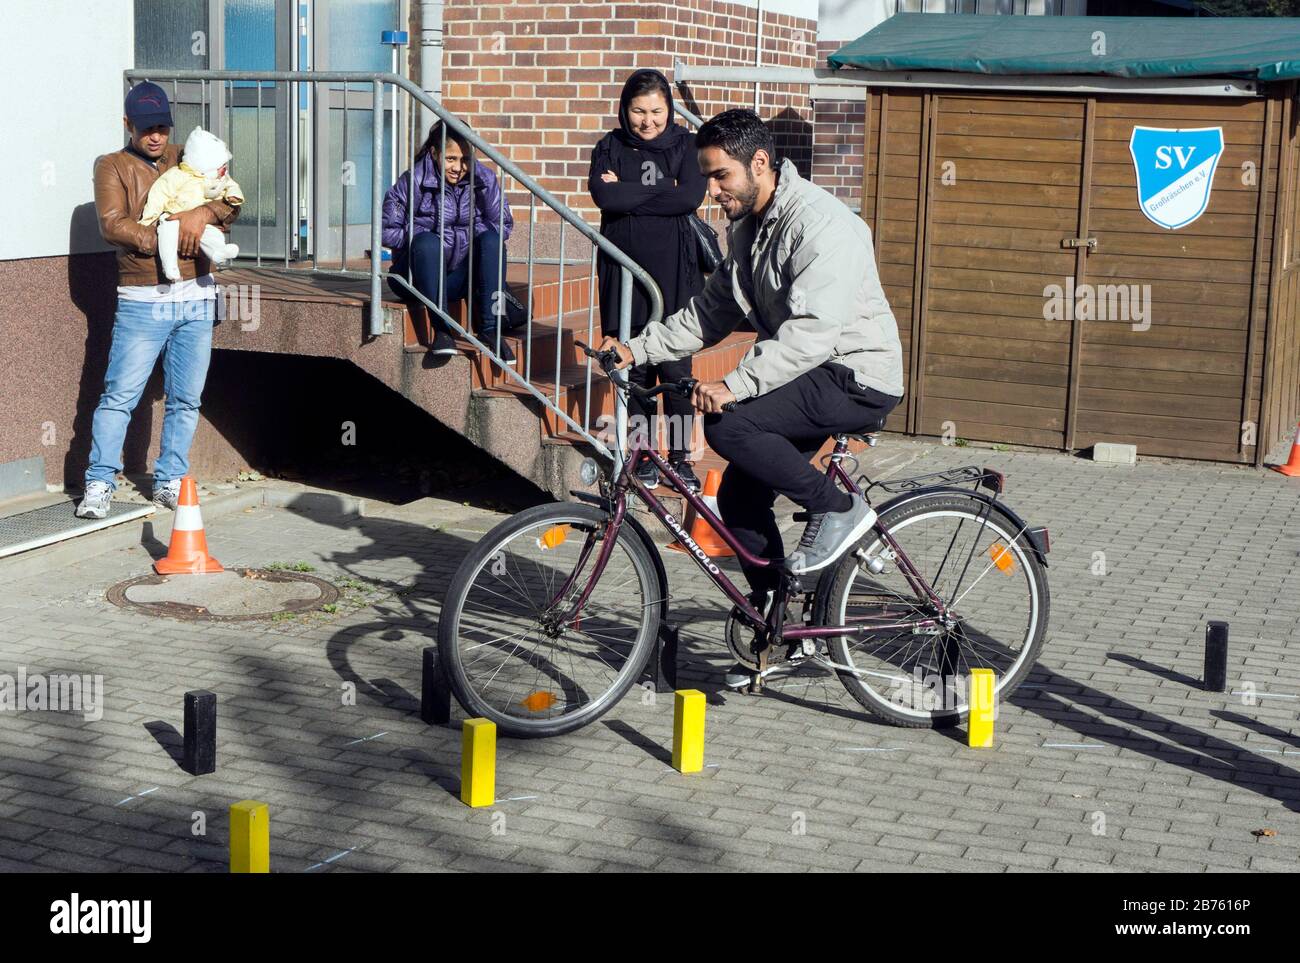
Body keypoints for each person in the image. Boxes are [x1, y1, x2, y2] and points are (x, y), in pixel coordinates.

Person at [599, 108, 905, 682]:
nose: (710, 191)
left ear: (759, 164)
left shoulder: (823, 225)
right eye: (707, 177)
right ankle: (778, 615)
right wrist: (637, 349)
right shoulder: (750, 227)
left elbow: (811, 334)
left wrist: (732, 384)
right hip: (809, 370)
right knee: (738, 501)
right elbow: (711, 312)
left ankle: (839, 510)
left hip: (855, 375)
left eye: (720, 177)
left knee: (728, 425)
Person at [77, 82, 242, 520]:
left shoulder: (186, 156)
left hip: (197, 298)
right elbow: (113, 225)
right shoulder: (111, 165)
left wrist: (200, 216)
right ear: (127, 125)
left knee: (187, 398)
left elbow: (228, 196)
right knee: (119, 396)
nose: (156, 137)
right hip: (143, 299)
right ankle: (99, 482)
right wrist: (167, 238)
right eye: (147, 128)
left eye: (163, 127)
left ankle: (169, 481)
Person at [588, 69, 706, 493]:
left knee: (674, 367)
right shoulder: (610, 146)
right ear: (625, 109)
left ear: (669, 110)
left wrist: (630, 190)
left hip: (675, 275)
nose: (648, 121)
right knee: (631, 363)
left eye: (656, 111)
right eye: (639, 111)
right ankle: (642, 454)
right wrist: (663, 192)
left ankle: (679, 459)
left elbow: (690, 197)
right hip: (623, 279)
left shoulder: (686, 146)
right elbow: (604, 197)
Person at [383, 121, 517, 363]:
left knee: (492, 240)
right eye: (451, 159)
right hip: (414, 277)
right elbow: (386, 231)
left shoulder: (484, 179)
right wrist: (430, 234)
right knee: (427, 243)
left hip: (456, 277)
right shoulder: (413, 179)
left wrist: (464, 232)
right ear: (435, 153)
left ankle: (491, 330)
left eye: (465, 159)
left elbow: (504, 224)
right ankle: (442, 331)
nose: (458, 167)